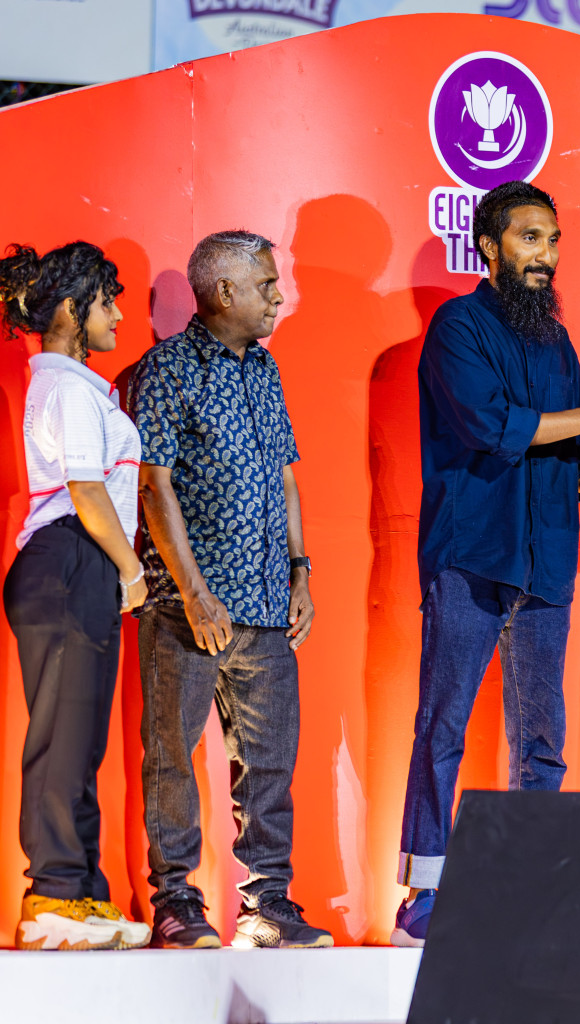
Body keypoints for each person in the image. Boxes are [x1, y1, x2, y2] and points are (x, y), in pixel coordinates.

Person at [393, 180, 580, 947]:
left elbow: (570, 454)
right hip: (470, 556)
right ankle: (422, 893)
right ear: (489, 247)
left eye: (552, 241)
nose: (545, 256)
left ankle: (530, 884)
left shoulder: (557, 342)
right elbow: (494, 428)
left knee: (542, 735)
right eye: (529, 240)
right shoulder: (457, 326)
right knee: (442, 723)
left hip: (546, 558)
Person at [130, 231, 329, 949]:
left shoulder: (265, 372)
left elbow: (284, 475)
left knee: (271, 761)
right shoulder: (168, 369)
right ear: (223, 293)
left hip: (267, 607)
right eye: (268, 284)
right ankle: (176, 901)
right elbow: (152, 484)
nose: (279, 295)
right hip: (190, 609)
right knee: (172, 756)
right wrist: (193, 591)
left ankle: (268, 903)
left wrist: (300, 571)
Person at [0, 242, 152, 950]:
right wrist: (130, 569)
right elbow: (87, 490)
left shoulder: (77, 387)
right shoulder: (65, 386)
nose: (119, 317)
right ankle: (53, 896)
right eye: (107, 302)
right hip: (70, 559)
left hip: (76, 563)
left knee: (79, 735)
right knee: (63, 735)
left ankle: (80, 892)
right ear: (72, 309)